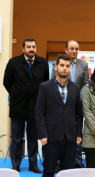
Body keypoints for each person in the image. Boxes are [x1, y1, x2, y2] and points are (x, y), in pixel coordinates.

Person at [3, 38, 49, 173]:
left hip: (36, 106)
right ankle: (16, 165)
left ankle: (33, 165)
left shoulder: (43, 63)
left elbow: (45, 82)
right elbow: (6, 82)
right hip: (18, 106)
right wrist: (16, 94)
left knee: (33, 138)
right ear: (23, 49)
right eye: (28, 47)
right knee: (17, 137)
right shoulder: (13, 63)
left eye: (33, 47)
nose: (31, 49)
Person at [35, 55, 83, 177]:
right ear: (56, 67)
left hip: (70, 137)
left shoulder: (76, 88)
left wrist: (78, 133)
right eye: (61, 65)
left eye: (67, 66)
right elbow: (39, 113)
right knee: (49, 171)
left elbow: (78, 113)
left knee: (68, 172)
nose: (64, 68)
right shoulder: (44, 87)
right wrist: (43, 134)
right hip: (51, 137)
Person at [51, 40, 88, 168]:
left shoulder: (83, 64)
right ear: (66, 49)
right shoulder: (60, 64)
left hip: (76, 104)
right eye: (71, 48)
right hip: (60, 105)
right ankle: (57, 162)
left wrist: (78, 96)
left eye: (76, 49)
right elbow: (53, 82)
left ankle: (77, 162)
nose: (74, 51)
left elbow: (86, 84)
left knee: (77, 134)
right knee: (59, 134)